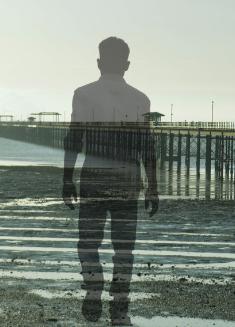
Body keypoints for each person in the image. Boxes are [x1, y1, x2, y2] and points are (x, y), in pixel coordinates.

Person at [62, 36, 159, 325]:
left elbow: (73, 140)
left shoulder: (83, 94)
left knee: (88, 242)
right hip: (129, 181)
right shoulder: (141, 99)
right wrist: (153, 188)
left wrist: (67, 180)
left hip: (93, 177)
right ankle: (120, 304)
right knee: (124, 245)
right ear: (127, 65)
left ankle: (93, 291)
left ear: (99, 62)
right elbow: (147, 148)